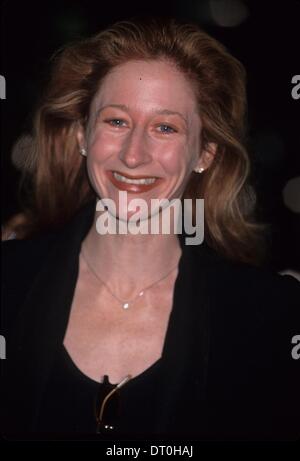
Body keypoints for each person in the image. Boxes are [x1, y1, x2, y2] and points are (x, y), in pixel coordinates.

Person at [1, 17, 299, 441]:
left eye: (165, 127)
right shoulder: (8, 283)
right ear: (83, 135)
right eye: (116, 121)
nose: (134, 155)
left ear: (205, 154)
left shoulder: (271, 318)